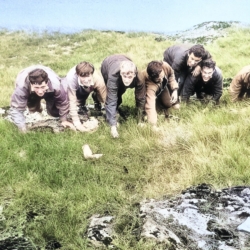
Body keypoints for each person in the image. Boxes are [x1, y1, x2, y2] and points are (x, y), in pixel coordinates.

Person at [9, 65, 75, 132]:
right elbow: (16, 109)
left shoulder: (56, 85)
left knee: (54, 113)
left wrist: (64, 120)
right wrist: (22, 128)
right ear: (31, 84)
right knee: (33, 110)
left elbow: (63, 103)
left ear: (47, 83)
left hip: (50, 88)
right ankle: (36, 108)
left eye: (42, 87)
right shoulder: (22, 88)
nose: (40, 91)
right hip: (27, 86)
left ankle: (46, 104)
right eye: (36, 87)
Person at [101, 54, 145, 138]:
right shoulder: (113, 76)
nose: (127, 80)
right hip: (107, 64)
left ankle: (115, 114)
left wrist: (140, 120)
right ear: (120, 73)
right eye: (124, 76)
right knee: (115, 95)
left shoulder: (140, 77)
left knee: (122, 89)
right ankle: (112, 116)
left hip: (124, 58)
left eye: (130, 77)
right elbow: (111, 99)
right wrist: (113, 127)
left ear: (134, 75)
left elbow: (141, 98)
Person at [63, 61, 106, 132]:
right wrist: (77, 124)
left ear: (92, 74)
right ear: (77, 74)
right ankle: (81, 104)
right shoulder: (71, 79)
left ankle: (95, 96)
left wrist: (112, 119)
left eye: (88, 76)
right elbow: (72, 100)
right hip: (77, 87)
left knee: (101, 97)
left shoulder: (98, 79)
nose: (86, 80)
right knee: (78, 99)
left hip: (94, 84)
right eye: (83, 76)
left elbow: (106, 99)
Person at [144, 60, 179, 126]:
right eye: (158, 79)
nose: (161, 79)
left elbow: (171, 75)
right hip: (151, 92)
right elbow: (150, 105)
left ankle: (161, 100)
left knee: (168, 104)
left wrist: (175, 90)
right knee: (154, 111)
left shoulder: (165, 66)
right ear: (151, 77)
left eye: (161, 76)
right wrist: (153, 124)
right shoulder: (150, 86)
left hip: (162, 87)